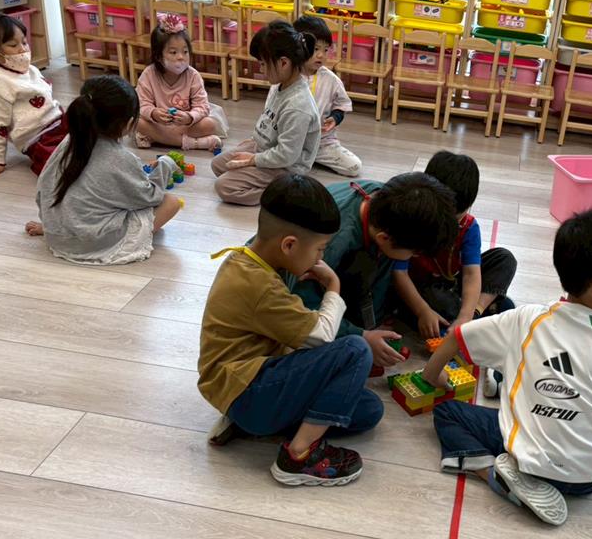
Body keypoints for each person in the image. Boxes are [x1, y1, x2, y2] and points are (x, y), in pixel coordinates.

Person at [422, 209, 592, 526]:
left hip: (525, 459)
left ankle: (491, 472)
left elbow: (456, 338)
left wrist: (431, 376)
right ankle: (502, 387)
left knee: (447, 413)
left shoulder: (526, 318)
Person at [198, 173, 384, 486]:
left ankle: (252, 425)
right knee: (355, 350)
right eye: (320, 249)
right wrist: (333, 285)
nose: (321, 258)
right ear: (289, 245)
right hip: (248, 391)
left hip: (249, 385)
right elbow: (322, 335)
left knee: (368, 409)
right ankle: (298, 456)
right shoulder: (259, 286)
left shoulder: (251, 261)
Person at [292, 173, 458, 372]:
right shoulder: (331, 245)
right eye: (414, 253)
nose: (414, 257)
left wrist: (373, 325)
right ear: (384, 238)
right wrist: (360, 335)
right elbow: (302, 308)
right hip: (298, 292)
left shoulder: (386, 200)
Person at [393, 150, 517, 397]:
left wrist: (467, 315)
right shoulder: (416, 221)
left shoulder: (468, 227)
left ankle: (474, 316)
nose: (450, 223)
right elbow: (399, 273)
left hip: (454, 283)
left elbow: (472, 274)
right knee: (442, 302)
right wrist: (423, 311)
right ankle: (476, 319)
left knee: (504, 259)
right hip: (421, 291)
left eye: (457, 216)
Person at [27, 74, 182, 265]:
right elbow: (150, 198)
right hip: (93, 243)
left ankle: (59, 228)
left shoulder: (69, 142)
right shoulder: (119, 158)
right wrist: (166, 164)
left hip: (57, 236)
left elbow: (45, 188)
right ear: (129, 123)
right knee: (171, 202)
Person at [211, 21, 320, 206]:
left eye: (263, 64)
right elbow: (269, 122)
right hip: (265, 150)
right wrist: (253, 146)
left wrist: (253, 160)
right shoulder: (279, 86)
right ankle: (257, 172)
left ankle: (287, 191)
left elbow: (287, 156)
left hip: (286, 167)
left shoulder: (298, 106)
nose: (261, 70)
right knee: (218, 165)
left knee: (224, 186)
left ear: (283, 63)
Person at [0, 12, 67, 177]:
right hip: (39, 138)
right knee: (62, 165)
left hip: (62, 123)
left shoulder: (31, 70)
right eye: (13, 45)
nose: (23, 49)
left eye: (24, 42)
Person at [135, 13, 228, 152]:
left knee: (209, 124)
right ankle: (195, 143)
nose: (181, 57)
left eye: (185, 52)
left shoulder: (193, 76)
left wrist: (189, 117)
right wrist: (153, 113)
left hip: (184, 125)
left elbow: (202, 106)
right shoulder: (149, 74)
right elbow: (141, 103)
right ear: (158, 56)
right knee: (136, 122)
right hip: (157, 123)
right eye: (173, 52)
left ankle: (158, 138)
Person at [292, 15, 360, 177]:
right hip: (291, 140)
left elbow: (341, 105)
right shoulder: (289, 75)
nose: (321, 55)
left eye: (325, 49)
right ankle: (299, 157)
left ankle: (307, 157)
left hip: (322, 142)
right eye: (316, 49)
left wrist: (335, 118)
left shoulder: (331, 80)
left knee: (354, 167)